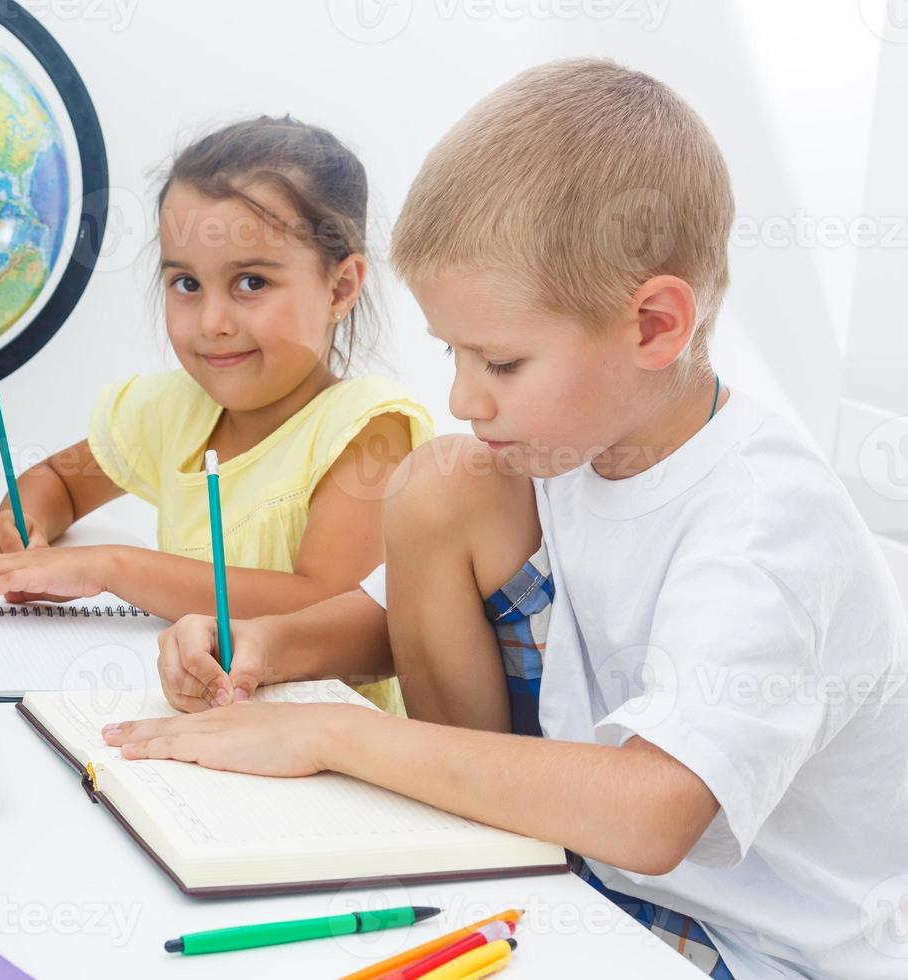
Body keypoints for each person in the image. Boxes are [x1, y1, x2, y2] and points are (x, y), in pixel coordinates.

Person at [107, 60, 908, 979]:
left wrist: (334, 735)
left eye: (502, 363)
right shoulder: (578, 446)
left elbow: (655, 812)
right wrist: (266, 644)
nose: (462, 397)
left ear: (654, 326)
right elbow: (385, 618)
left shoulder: (767, 525)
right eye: (454, 353)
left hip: (747, 943)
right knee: (433, 483)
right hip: (592, 875)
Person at [0, 115, 434, 712]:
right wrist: (23, 526)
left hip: (326, 753)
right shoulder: (170, 409)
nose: (211, 322)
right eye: (186, 283)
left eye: (251, 282)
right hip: (202, 722)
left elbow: (327, 602)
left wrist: (110, 567)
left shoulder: (366, 430)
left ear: (339, 287)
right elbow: (59, 482)